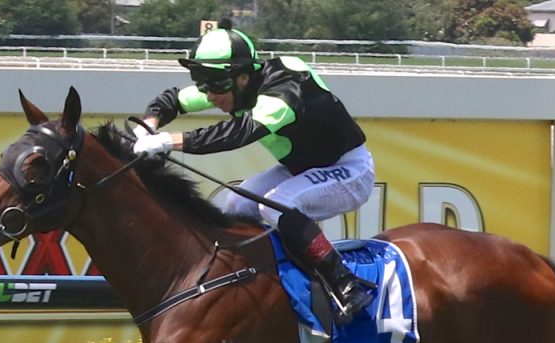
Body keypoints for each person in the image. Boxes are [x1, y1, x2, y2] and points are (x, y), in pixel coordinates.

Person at [133, 23, 376, 325]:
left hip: (349, 170)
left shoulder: (284, 90)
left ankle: (345, 283)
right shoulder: (231, 85)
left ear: (243, 77)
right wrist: (148, 126)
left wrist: (168, 141)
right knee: (234, 204)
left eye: (215, 86)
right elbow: (171, 100)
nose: (210, 96)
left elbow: (237, 133)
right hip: (302, 169)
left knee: (277, 205)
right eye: (204, 85)